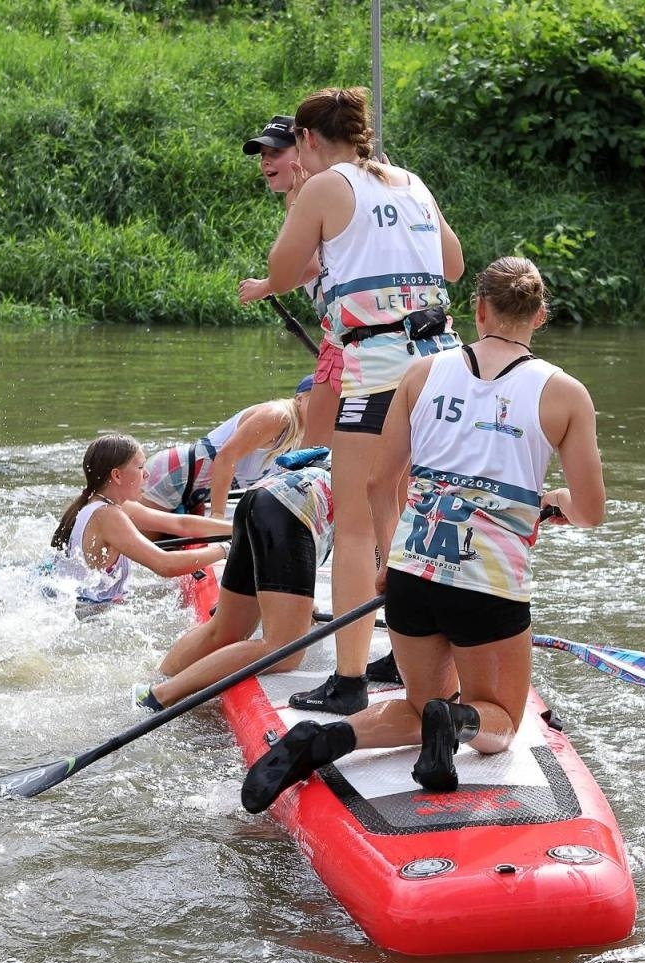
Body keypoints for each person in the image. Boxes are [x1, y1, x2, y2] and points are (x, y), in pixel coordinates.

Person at [239, 256, 605, 814]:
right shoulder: (565, 393)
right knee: (502, 721)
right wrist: (550, 502)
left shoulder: (421, 373)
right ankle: (456, 721)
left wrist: (389, 558)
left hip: (412, 572)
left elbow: (380, 482)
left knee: (418, 704)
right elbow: (591, 511)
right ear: (540, 316)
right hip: (487, 586)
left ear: (478, 310)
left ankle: (322, 739)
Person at [238, 86, 465, 716]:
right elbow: (452, 266)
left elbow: (283, 271)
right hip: (442, 368)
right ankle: (411, 650)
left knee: (359, 522)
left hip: (379, 370)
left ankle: (348, 679)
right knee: (407, 510)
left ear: (308, 140)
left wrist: (272, 268)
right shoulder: (413, 182)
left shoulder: (323, 186)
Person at [133, 458, 333, 712]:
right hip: (291, 511)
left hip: (261, 498)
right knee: (284, 650)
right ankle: (160, 694)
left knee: (225, 630)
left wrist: (301, 603)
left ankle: (150, 684)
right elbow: (355, 556)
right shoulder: (381, 476)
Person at [244, 114, 342, 448]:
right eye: (262, 155)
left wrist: (266, 285)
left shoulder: (308, 192)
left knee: (318, 441)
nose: (265, 162)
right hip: (343, 328)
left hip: (347, 332)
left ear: (303, 149)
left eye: (276, 152)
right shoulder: (313, 189)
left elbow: (309, 266)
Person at [51, 433, 230, 602]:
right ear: (117, 475)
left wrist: (237, 528)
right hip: (90, 613)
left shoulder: (111, 505)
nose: (147, 474)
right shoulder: (108, 515)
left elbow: (181, 524)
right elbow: (165, 565)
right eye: (140, 467)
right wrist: (226, 548)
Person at [140, 378, 311, 523]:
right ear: (299, 399)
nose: (322, 408)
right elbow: (226, 457)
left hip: (197, 493)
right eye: (316, 400)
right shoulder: (279, 416)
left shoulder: (301, 433)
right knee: (138, 548)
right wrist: (218, 517)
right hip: (174, 475)